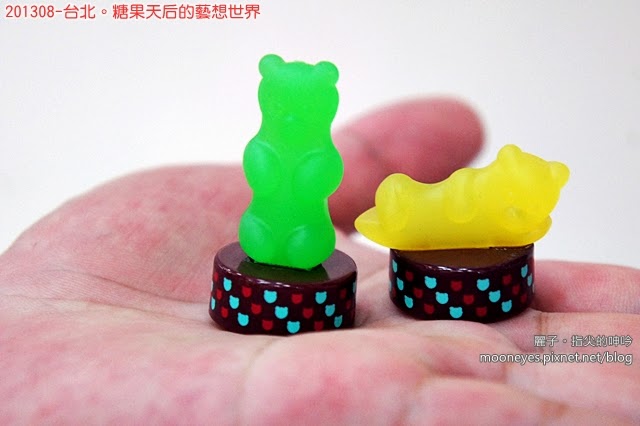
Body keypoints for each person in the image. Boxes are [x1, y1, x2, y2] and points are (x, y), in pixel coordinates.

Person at [0, 99, 637, 423]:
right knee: (275, 233)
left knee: (307, 242)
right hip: (268, 235)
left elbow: (325, 175)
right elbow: (267, 169)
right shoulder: (266, 142)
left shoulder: (329, 157)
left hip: (311, 241)